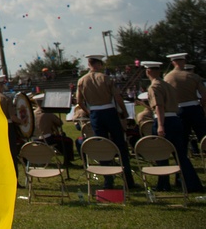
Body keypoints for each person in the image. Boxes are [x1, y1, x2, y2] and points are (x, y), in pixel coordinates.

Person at [75, 55, 136, 190]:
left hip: (95, 114)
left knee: (101, 145)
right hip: (109, 111)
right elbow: (117, 97)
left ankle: (108, 180)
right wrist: (124, 113)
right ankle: (128, 180)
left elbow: (79, 101)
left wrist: (89, 111)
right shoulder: (106, 78)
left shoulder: (82, 80)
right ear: (99, 64)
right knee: (120, 145)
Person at [144, 61, 203, 192]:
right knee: (180, 154)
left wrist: (160, 125)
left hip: (164, 120)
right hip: (175, 119)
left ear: (148, 72)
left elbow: (159, 106)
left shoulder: (154, 87)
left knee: (162, 154)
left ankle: (163, 184)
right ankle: (192, 183)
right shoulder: (167, 85)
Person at [164, 53, 206, 155]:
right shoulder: (193, 76)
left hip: (178, 110)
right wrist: (203, 107)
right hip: (195, 108)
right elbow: (204, 94)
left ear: (173, 62)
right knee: (203, 135)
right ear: (184, 61)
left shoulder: (167, 78)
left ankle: (184, 160)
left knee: (182, 138)